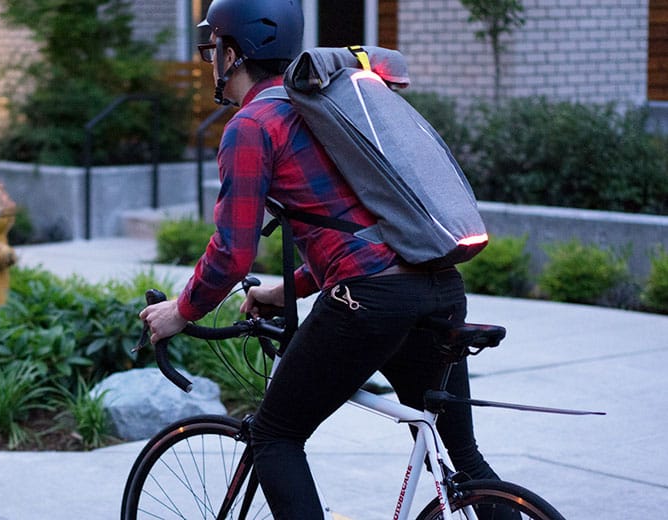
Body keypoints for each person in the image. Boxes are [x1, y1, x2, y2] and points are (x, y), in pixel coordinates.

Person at [140, 0, 503, 517]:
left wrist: (181, 310)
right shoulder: (324, 109)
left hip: (371, 299)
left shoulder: (252, 125)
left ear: (232, 52)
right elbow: (357, 230)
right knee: (463, 458)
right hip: (437, 284)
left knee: (274, 434)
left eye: (212, 48)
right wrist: (278, 292)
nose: (211, 61)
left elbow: (231, 252)